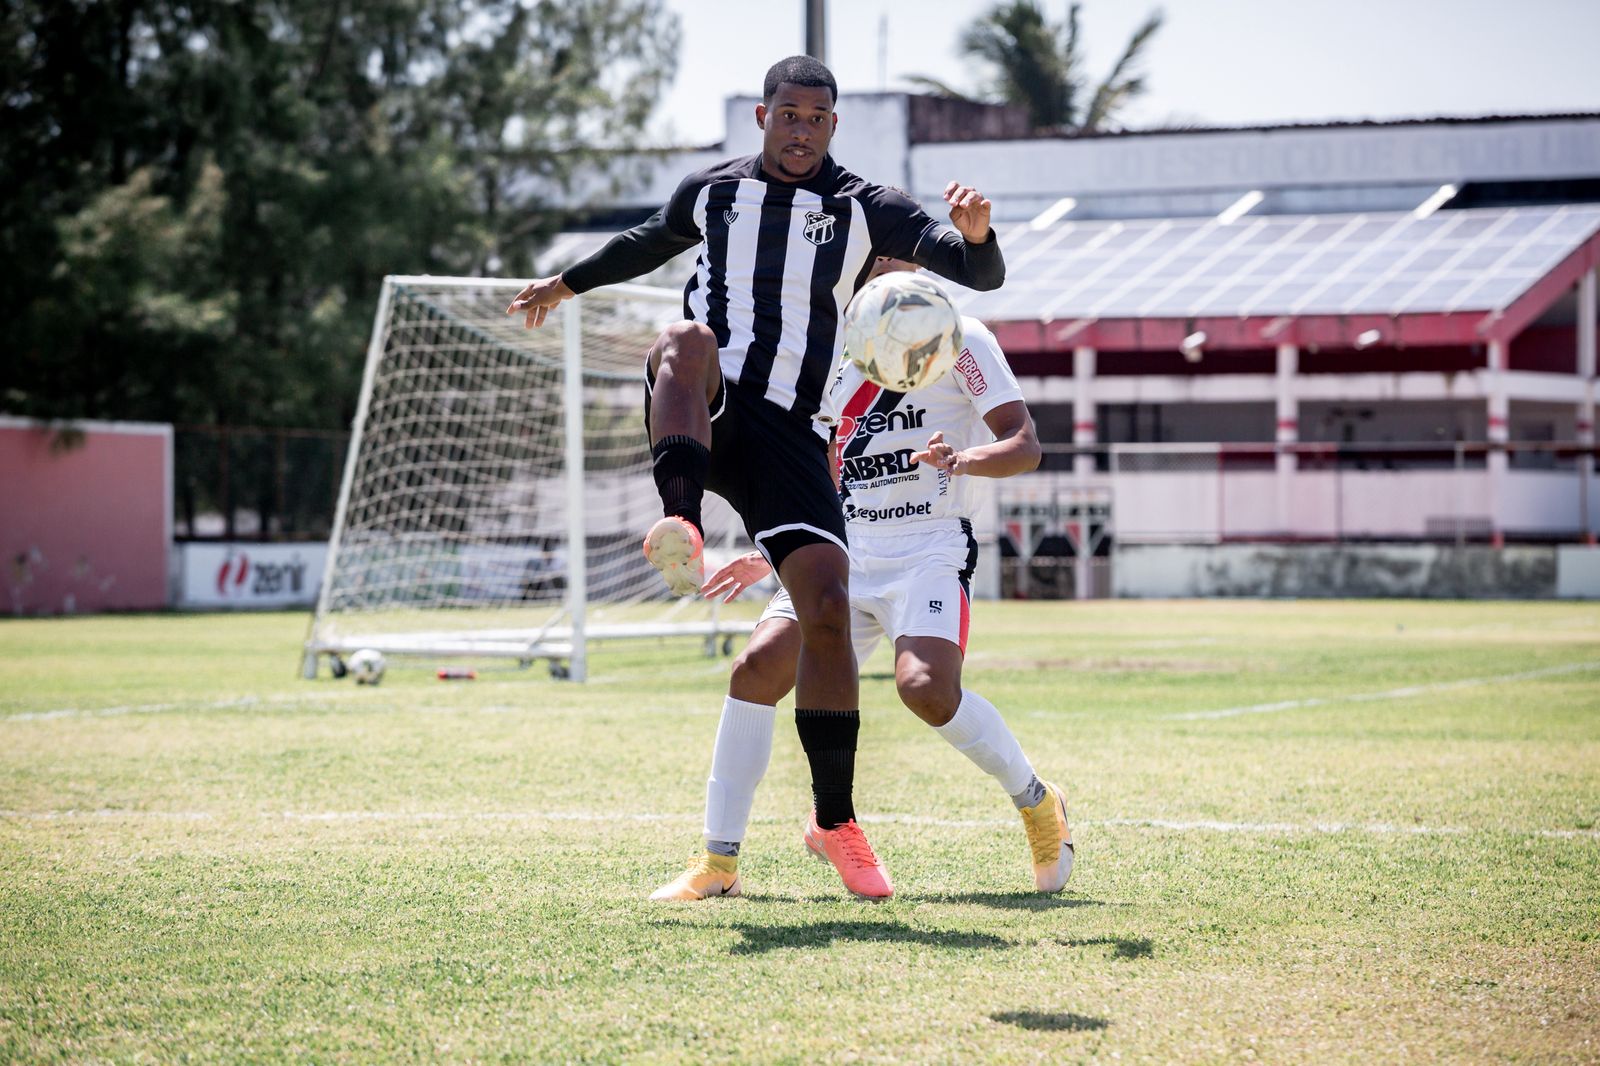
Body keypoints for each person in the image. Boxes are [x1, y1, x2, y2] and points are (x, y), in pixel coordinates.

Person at [507, 57, 1005, 899]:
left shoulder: (866, 206)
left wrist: (979, 233)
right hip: (709, 402)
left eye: (817, 116)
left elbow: (977, 274)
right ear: (763, 117)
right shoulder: (711, 194)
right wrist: (562, 285)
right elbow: (643, 245)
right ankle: (682, 524)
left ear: (833, 126)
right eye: (788, 114)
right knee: (684, 339)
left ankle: (838, 823)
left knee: (825, 610)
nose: (801, 128)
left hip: (792, 436)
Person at [650, 257, 1073, 902]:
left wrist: (963, 460)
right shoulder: (824, 352)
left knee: (926, 690)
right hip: (845, 547)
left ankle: (1039, 804)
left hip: (929, 547)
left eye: (896, 249)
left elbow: (1024, 442)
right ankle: (718, 862)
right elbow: (819, 474)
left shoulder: (961, 337)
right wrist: (773, 555)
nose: (883, 264)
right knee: (757, 670)